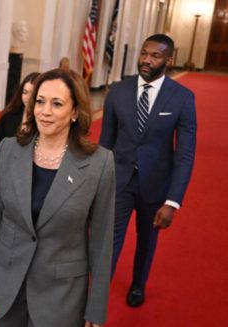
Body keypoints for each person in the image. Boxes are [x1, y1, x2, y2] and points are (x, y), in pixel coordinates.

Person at [0, 69, 115, 327]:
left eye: (57, 104)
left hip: (60, 295)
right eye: (40, 101)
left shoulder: (99, 163)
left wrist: (96, 307)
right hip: (7, 283)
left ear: (75, 112)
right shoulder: (7, 150)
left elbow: (102, 242)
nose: (44, 111)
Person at [99, 34, 196, 307]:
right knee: (109, 239)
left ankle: (138, 284)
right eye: (144, 53)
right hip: (118, 180)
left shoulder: (182, 98)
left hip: (155, 185)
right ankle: (99, 291)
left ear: (169, 60)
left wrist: (173, 201)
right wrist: (98, 183)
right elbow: (105, 144)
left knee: (146, 239)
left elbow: (185, 155)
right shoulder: (117, 91)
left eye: (155, 56)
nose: (146, 60)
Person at [0, 72, 40, 192]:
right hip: (6, 173)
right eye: (25, 92)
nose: (27, 97)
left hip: (32, 178)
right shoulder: (10, 115)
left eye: (32, 93)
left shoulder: (44, 120)